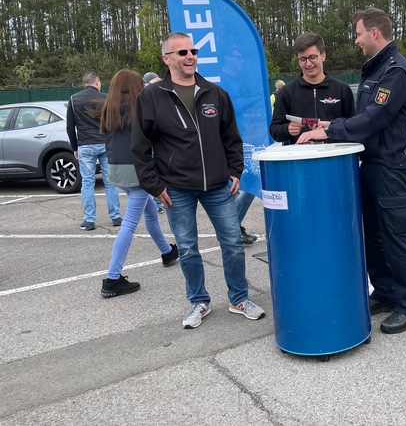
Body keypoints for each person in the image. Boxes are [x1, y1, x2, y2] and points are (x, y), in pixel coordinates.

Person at [297, 8, 406, 334]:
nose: (356, 40)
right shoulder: (376, 70)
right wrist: (332, 124)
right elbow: (363, 116)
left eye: (358, 33)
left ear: (375, 34)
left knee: (396, 236)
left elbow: (374, 120)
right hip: (372, 163)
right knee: (374, 235)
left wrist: (328, 131)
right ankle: (384, 291)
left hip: (391, 166)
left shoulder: (396, 72)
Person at [131, 32, 265, 329]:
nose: (190, 56)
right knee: (188, 247)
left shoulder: (215, 93)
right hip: (176, 189)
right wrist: (154, 185)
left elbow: (231, 136)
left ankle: (239, 298)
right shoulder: (151, 97)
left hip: (218, 186)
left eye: (192, 50)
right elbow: (139, 147)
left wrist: (235, 170)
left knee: (231, 242)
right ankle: (199, 301)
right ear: (167, 59)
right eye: (182, 53)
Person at [99, 69, 178, 298]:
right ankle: (112, 278)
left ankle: (167, 252)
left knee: (150, 212)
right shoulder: (139, 108)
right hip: (139, 171)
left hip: (116, 171)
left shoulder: (109, 109)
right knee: (130, 224)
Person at [270, 31, 356, 145]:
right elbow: (274, 130)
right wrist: (287, 130)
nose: (308, 64)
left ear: (323, 56)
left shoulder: (342, 90)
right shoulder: (286, 92)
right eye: (303, 59)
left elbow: (353, 127)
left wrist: (332, 129)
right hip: (300, 159)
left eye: (312, 57)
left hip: (334, 158)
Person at [66, 71, 122, 231]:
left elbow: (70, 127)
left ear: (84, 84)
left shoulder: (73, 99)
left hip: (85, 145)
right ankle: (116, 217)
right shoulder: (106, 98)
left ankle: (89, 220)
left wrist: (74, 147)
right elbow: (114, 122)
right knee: (110, 182)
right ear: (97, 83)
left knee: (88, 183)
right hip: (105, 143)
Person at [143, 71, 165, 214]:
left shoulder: (147, 93)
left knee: (153, 169)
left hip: (154, 139)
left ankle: (157, 202)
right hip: (158, 140)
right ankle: (158, 203)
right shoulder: (163, 90)